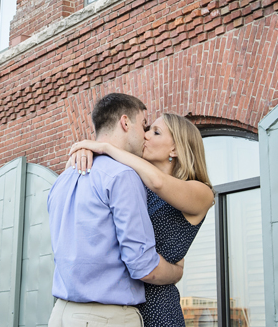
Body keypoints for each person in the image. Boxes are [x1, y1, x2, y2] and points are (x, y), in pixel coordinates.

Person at [47, 93, 185, 327]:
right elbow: (143, 267)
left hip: (60, 314)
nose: (145, 135)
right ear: (125, 123)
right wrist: (176, 272)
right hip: (105, 318)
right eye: (144, 126)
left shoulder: (62, 179)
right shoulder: (123, 176)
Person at [68, 112, 214, 327]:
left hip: (157, 307)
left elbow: (159, 183)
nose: (145, 135)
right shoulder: (137, 183)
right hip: (119, 304)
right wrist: (86, 150)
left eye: (156, 132)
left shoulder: (202, 192)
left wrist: (106, 147)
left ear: (174, 149)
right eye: (147, 129)